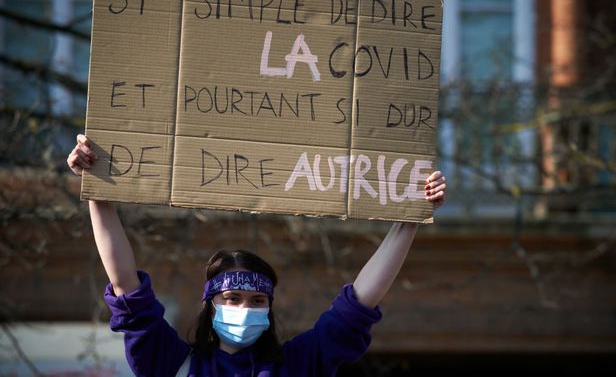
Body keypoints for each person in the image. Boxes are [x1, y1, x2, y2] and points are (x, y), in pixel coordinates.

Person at [67, 134, 447, 377]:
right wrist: (99, 195)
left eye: (257, 300)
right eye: (232, 298)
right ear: (211, 304)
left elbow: (359, 303)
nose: (244, 308)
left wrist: (408, 219)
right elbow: (126, 287)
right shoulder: (170, 362)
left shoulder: (297, 365)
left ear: (270, 307)